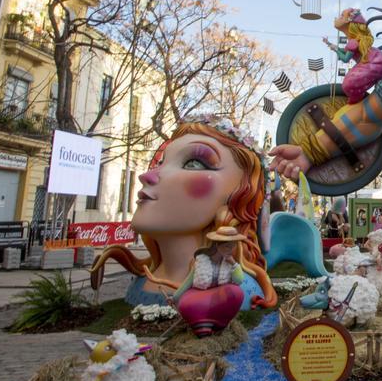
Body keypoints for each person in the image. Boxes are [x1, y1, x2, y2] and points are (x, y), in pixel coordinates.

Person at [90, 119, 277, 310]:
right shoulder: (142, 281)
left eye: (193, 163)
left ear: (240, 198)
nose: (147, 175)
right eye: (161, 162)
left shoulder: (236, 288)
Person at [174, 228, 247, 337]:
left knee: (236, 292)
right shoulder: (201, 261)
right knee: (187, 303)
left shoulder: (229, 262)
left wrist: (233, 263)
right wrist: (175, 297)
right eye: (227, 246)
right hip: (199, 295)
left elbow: (239, 280)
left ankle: (220, 323)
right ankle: (203, 326)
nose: (231, 249)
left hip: (218, 295)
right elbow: (188, 281)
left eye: (233, 246)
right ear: (217, 245)